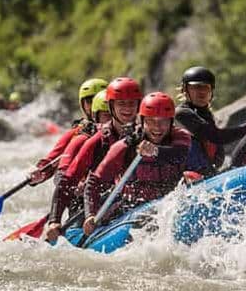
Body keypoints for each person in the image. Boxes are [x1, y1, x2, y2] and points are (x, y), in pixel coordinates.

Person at [44, 77, 142, 241]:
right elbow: (67, 180)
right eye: (121, 104)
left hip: (126, 201)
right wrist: (54, 221)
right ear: (111, 106)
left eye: (132, 103)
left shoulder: (150, 131)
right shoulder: (95, 140)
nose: (128, 109)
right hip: (89, 204)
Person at [82, 92, 191, 235]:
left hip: (171, 202)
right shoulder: (124, 146)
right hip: (132, 209)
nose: (157, 128)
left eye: (163, 121)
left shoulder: (181, 136)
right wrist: (90, 214)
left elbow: (179, 154)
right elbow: (94, 182)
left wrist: (155, 151)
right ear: (142, 121)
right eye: (151, 121)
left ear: (171, 123)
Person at [174, 66, 246, 177]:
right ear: (185, 90)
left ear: (211, 91)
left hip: (207, 174)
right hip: (187, 175)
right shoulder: (181, 113)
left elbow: (216, 145)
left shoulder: (205, 114)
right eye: (196, 87)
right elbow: (217, 137)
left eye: (205, 87)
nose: (201, 91)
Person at [28, 78, 105, 186]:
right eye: (89, 101)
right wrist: (39, 173)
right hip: (82, 187)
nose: (94, 105)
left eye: (100, 100)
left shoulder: (122, 129)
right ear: (82, 104)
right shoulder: (77, 133)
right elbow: (52, 160)